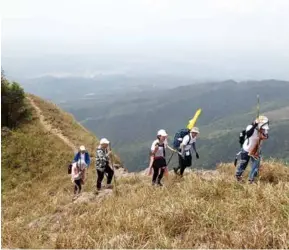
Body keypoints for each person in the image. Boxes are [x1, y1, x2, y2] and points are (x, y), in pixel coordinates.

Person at [235, 116, 269, 183]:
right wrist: (254, 126)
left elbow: (266, 136)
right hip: (246, 149)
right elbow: (248, 134)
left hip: (256, 151)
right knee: (243, 164)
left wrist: (262, 134)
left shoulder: (264, 130)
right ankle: (238, 176)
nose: (264, 128)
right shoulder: (250, 127)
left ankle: (252, 180)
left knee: (256, 165)